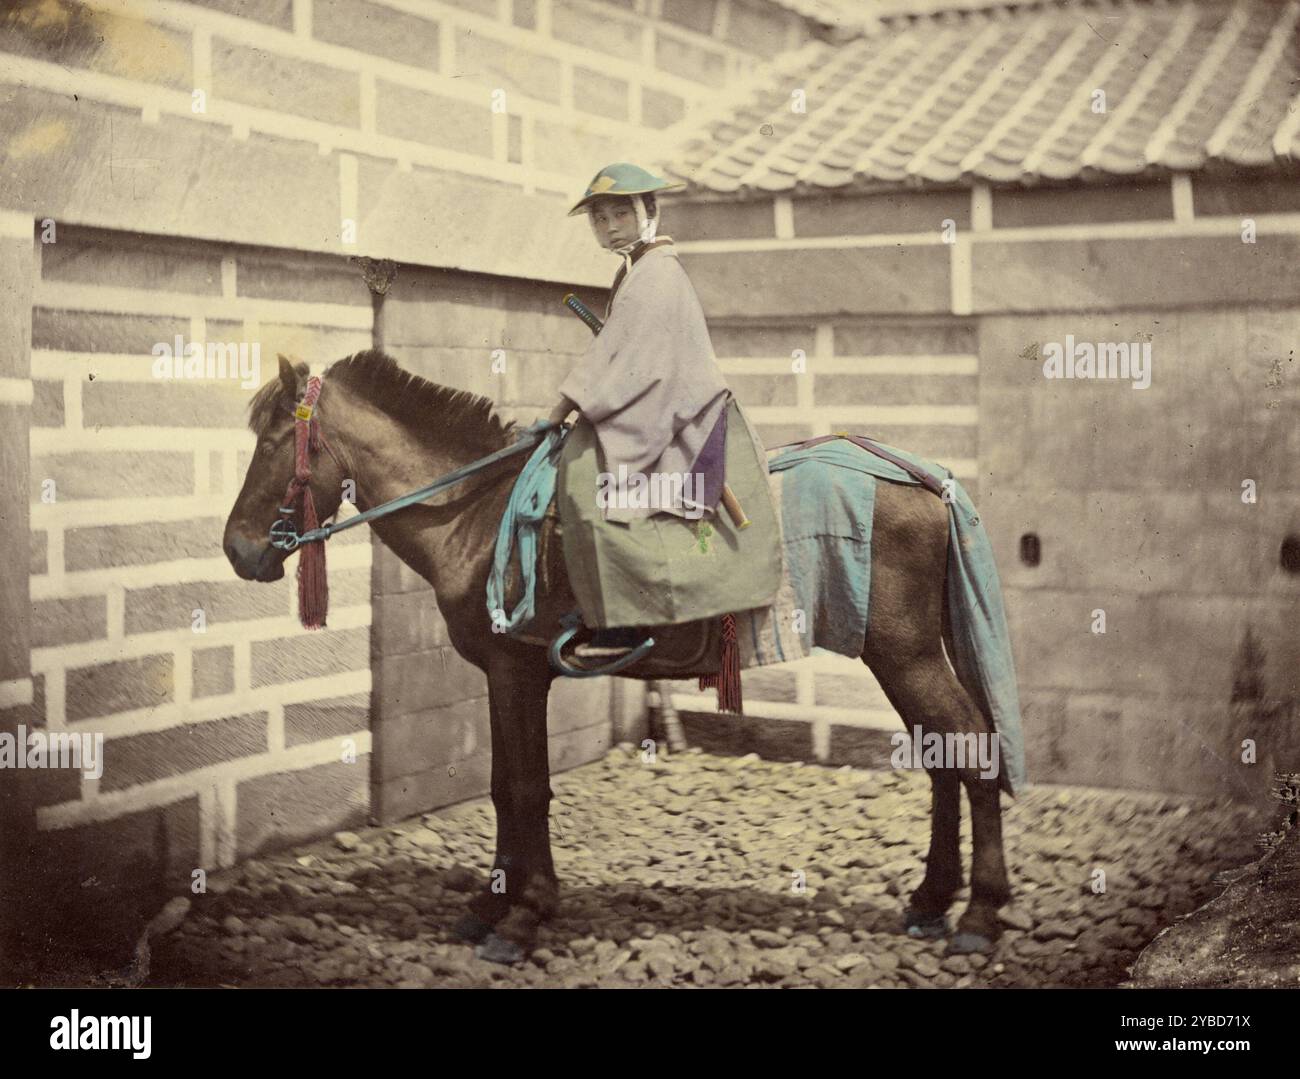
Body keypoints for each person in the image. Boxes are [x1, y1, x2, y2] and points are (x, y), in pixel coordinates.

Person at [546, 163, 735, 658]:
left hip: (680, 413)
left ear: (649, 212)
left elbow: (626, 362)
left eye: (619, 214)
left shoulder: (657, 274)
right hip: (657, 403)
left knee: (592, 488)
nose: (609, 227)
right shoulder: (635, 269)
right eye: (600, 218)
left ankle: (626, 621)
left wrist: (558, 411)